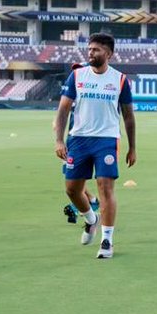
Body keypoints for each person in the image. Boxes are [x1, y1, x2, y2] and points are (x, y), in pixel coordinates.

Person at [53, 33, 136, 259]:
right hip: (78, 139)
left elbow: (128, 116)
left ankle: (107, 240)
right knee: (72, 189)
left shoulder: (119, 79)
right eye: (89, 49)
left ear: (108, 54)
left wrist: (132, 147)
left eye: (96, 50)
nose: (91, 53)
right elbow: (62, 110)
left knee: (105, 187)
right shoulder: (77, 75)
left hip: (107, 139)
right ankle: (91, 219)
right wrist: (59, 140)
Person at [61, 62, 99, 224]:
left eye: (79, 71)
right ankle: (90, 200)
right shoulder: (72, 93)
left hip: (86, 140)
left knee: (75, 177)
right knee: (70, 175)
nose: (75, 75)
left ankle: (87, 205)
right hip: (73, 139)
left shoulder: (91, 95)